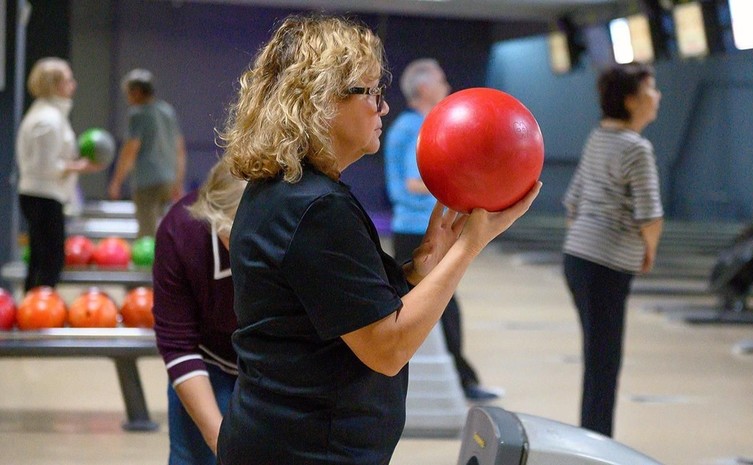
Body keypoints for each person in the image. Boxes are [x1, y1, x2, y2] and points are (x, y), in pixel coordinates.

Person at [216, 15, 540, 465]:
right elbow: (387, 349)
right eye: (370, 92)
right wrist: (472, 245)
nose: (383, 108)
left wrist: (419, 270)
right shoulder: (317, 208)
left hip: (282, 439)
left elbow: (338, 311)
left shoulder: (284, 190)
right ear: (321, 101)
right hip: (306, 451)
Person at [384, 58, 499, 402]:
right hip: (418, 228)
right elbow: (413, 182)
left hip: (418, 227)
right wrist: (463, 182)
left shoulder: (414, 125)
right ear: (423, 89)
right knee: (441, 304)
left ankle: (462, 378)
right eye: (441, 81)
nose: (448, 86)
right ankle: (462, 381)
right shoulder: (414, 126)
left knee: (441, 304)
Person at [562, 62, 664, 438]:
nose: (658, 97)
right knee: (604, 361)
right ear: (631, 101)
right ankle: (596, 443)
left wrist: (585, 244)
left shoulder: (598, 137)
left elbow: (572, 201)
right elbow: (650, 215)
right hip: (605, 265)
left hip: (578, 260)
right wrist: (648, 251)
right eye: (651, 89)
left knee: (598, 357)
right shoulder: (637, 148)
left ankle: (594, 437)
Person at [152, 159, 246, 465]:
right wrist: (217, 440)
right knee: (193, 456)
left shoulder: (300, 232)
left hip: (273, 364)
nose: (251, 251)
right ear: (214, 221)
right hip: (208, 358)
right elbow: (178, 344)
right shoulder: (179, 232)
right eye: (237, 239)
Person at [16, 57, 101, 291]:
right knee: (50, 261)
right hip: (43, 196)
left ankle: (34, 308)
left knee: (41, 258)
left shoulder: (48, 114)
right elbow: (45, 166)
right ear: (55, 84)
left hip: (41, 195)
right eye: (68, 79)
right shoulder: (48, 119)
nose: (73, 84)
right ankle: (39, 314)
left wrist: (75, 165)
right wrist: (80, 166)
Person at [108, 68, 187, 239]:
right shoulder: (167, 111)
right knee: (166, 232)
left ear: (136, 92)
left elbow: (130, 150)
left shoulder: (138, 114)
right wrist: (178, 181)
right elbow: (179, 148)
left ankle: (148, 267)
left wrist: (117, 181)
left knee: (147, 236)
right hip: (168, 179)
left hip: (147, 181)